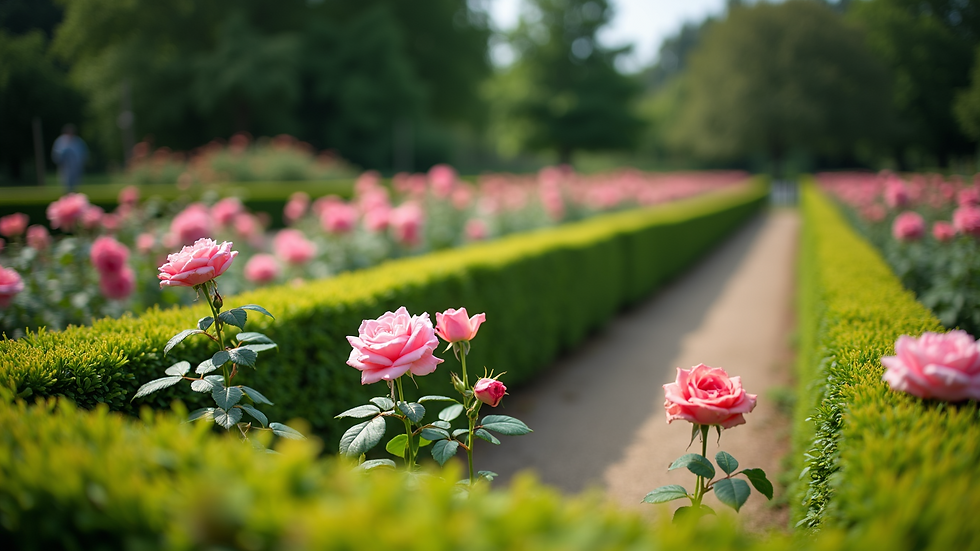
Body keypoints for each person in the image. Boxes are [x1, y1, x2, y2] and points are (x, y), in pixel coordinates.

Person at [51, 124, 88, 192]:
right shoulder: (60, 142)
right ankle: (67, 200)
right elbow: (56, 156)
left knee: (76, 186)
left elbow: (83, 154)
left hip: (76, 168)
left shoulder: (78, 142)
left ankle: (76, 200)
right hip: (64, 168)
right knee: (65, 185)